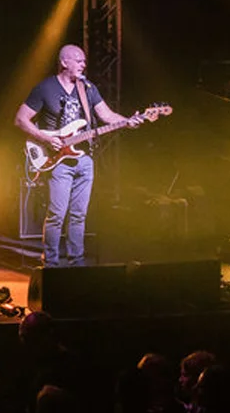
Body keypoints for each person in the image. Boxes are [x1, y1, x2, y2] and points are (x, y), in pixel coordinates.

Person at [15, 45, 143, 266]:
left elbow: (107, 115)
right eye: (79, 60)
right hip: (58, 160)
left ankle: (77, 264)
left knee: (79, 215)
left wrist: (128, 121)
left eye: (84, 61)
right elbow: (20, 119)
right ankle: (51, 264)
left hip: (84, 160)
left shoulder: (88, 89)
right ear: (64, 62)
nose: (84, 64)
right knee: (57, 215)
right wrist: (46, 139)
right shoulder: (45, 88)